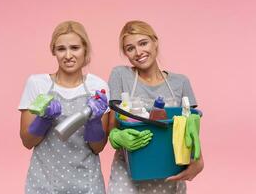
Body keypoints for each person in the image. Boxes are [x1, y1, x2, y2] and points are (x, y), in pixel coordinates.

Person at [107, 20, 204, 194]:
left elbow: (191, 130)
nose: (138, 52)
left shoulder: (180, 82)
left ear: (155, 42)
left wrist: (198, 159)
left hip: (168, 173)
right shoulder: (121, 75)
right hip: (129, 172)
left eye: (143, 43)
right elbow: (112, 126)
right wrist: (117, 136)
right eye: (130, 48)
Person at [18, 21, 109, 194]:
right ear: (54, 51)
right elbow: (27, 142)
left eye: (75, 48)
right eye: (61, 49)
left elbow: (97, 147)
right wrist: (43, 119)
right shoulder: (38, 84)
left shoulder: (97, 87)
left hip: (88, 185)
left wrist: (95, 120)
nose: (68, 55)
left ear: (85, 50)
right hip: (44, 183)